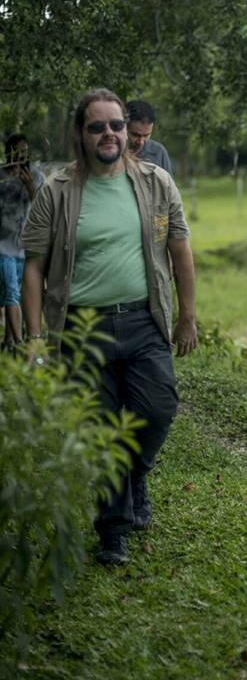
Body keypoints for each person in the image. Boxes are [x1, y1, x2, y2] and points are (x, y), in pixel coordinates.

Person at [22, 89, 197, 566]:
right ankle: (113, 532)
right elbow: (33, 267)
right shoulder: (56, 191)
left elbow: (180, 251)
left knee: (158, 408)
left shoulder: (157, 182)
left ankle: (135, 473)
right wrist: (36, 337)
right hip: (82, 327)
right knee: (101, 430)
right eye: (97, 126)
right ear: (81, 132)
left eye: (116, 125)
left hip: (144, 319)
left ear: (127, 130)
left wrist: (186, 315)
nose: (110, 134)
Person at [0, 134, 44, 349]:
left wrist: (29, 186)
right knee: (11, 293)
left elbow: (42, 206)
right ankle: (18, 342)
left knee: (17, 290)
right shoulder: (1, 176)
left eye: (24, 151)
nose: (20, 155)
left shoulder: (35, 175)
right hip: (3, 244)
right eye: (16, 151)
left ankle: (9, 339)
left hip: (25, 246)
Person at [125, 99, 174, 177]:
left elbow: (168, 188)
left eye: (146, 136)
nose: (141, 142)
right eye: (135, 135)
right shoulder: (111, 151)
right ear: (123, 128)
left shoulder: (159, 152)